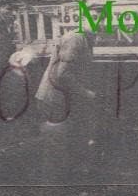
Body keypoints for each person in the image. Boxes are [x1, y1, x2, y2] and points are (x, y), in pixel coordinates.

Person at [35, 23, 99, 183]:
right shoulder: (76, 39)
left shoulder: (84, 38)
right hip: (55, 98)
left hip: (63, 98)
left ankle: (64, 190)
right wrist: (85, 93)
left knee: (66, 145)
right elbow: (62, 75)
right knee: (57, 150)